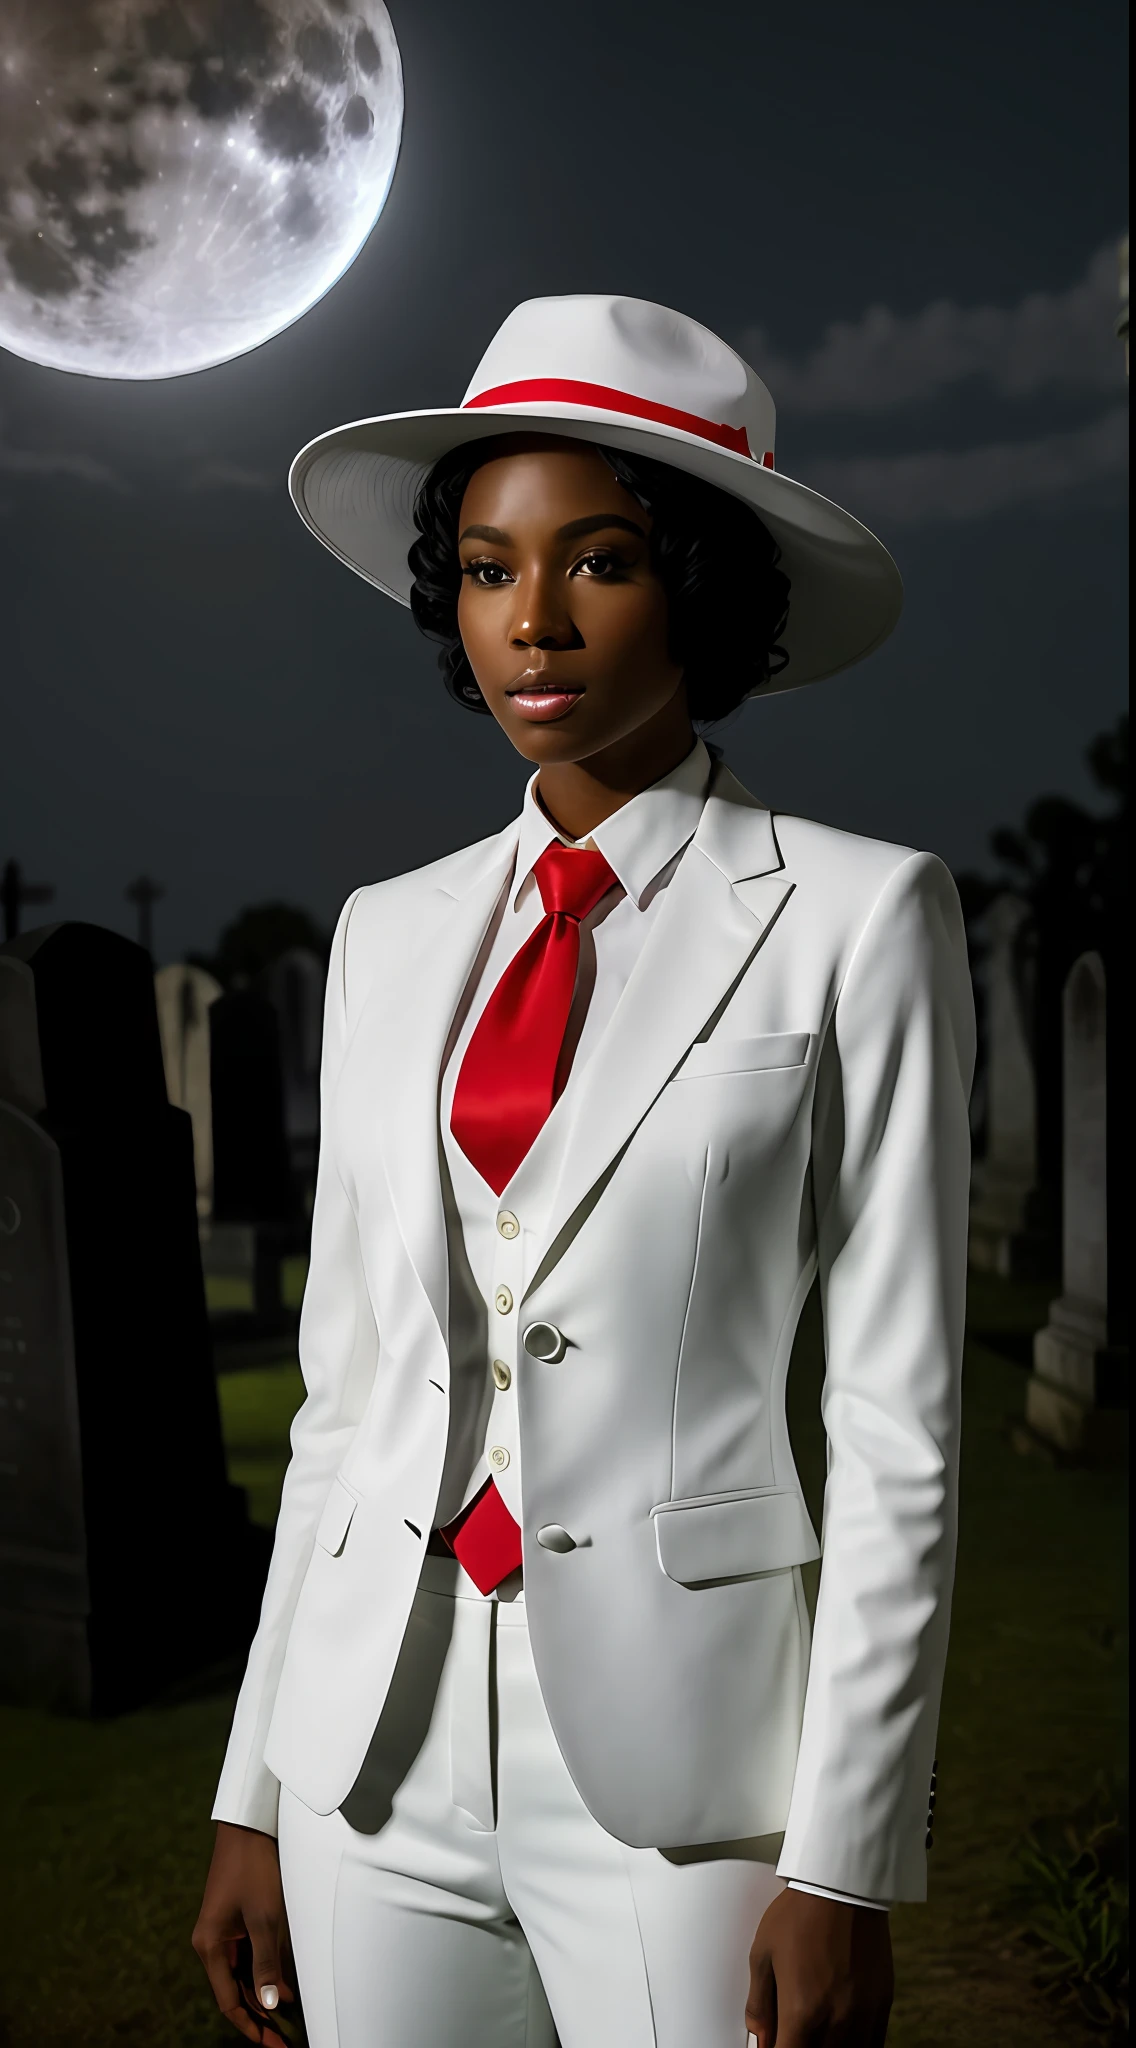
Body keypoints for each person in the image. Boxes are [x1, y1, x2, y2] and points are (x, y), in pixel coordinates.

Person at [193, 294, 974, 2048]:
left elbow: (899, 1426)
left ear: (699, 582)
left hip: (688, 1778)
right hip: (369, 1764)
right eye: (482, 569)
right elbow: (347, 1403)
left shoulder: (858, 917)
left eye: (598, 561)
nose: (530, 623)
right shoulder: (388, 938)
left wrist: (844, 1862)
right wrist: (257, 1787)